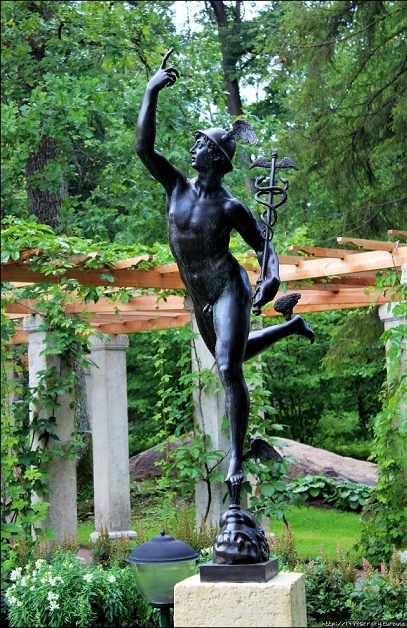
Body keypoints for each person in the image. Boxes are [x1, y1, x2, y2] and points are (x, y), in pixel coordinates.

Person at [136, 49, 314, 505]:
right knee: (227, 359)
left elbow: (264, 246)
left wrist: (271, 277)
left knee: (229, 367)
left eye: (200, 144)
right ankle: (290, 326)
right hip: (199, 296)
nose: (192, 148)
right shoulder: (176, 186)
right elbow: (143, 148)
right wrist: (151, 91)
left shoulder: (230, 206)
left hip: (227, 287)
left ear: (215, 157)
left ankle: (236, 460)